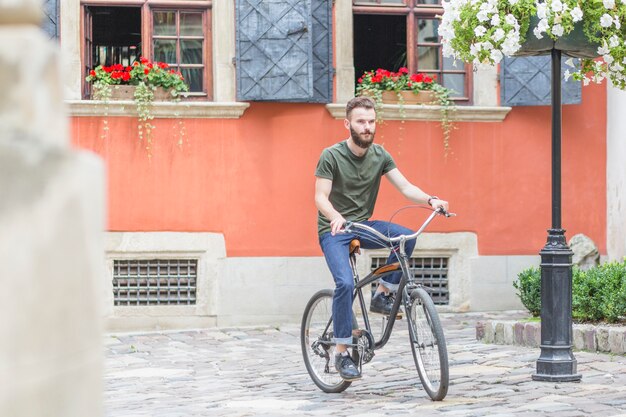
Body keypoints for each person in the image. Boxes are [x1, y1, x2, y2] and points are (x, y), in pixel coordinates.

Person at [314, 96, 449, 381]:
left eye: (371, 122)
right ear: (347, 123)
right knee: (345, 283)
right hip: (335, 230)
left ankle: (383, 294)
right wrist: (335, 216)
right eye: (361, 121)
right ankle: (341, 352)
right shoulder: (331, 155)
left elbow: (405, 186)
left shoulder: (380, 155)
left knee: (405, 238)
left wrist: (430, 199)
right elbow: (320, 197)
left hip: (362, 225)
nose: (367, 127)